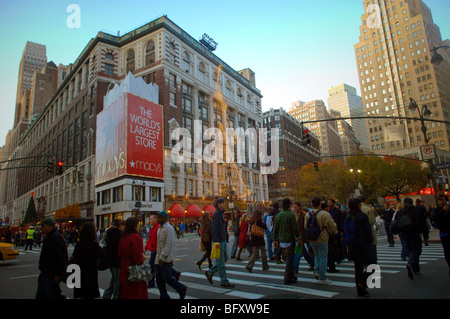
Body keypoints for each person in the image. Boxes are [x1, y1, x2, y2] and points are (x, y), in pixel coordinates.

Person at [304, 197, 338, 285]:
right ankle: (322, 277)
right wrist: (334, 232)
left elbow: (305, 226)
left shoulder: (308, 214)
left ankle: (316, 270)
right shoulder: (324, 214)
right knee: (323, 256)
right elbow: (332, 226)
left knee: (317, 255)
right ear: (320, 204)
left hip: (312, 238)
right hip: (322, 237)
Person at [155, 211, 187, 299]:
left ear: (165, 218)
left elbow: (169, 244)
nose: (158, 219)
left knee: (166, 277)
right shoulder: (160, 228)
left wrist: (162, 256)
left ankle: (181, 288)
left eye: (159, 217)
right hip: (158, 257)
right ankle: (164, 296)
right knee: (159, 279)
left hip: (166, 258)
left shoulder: (169, 229)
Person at [345, 198, 373, 297]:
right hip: (363, 244)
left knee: (358, 268)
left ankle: (360, 290)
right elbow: (368, 232)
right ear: (358, 205)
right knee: (372, 265)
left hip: (353, 245)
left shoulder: (348, 215)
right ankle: (363, 283)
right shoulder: (362, 216)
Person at [70, 222, 105, 299]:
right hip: (90, 273)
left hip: (78, 273)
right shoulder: (93, 244)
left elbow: (74, 259)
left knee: (80, 294)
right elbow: (103, 254)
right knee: (90, 294)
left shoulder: (79, 244)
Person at [205, 198, 235, 288]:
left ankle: (210, 272)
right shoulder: (216, 214)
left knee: (225, 258)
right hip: (219, 241)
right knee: (221, 261)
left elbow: (223, 228)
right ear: (219, 204)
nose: (225, 204)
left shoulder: (221, 213)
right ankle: (224, 281)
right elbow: (214, 229)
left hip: (222, 239)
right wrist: (216, 241)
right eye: (223, 203)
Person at [35, 217, 68, 299]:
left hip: (51, 274)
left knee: (53, 296)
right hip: (45, 273)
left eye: (43, 226)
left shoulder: (55, 238)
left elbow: (61, 257)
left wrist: (58, 274)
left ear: (49, 226)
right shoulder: (50, 236)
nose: (41, 228)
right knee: (41, 295)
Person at [118, 217, 148, 299]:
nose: (139, 226)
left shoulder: (123, 237)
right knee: (136, 293)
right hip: (134, 269)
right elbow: (137, 256)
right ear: (134, 226)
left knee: (125, 292)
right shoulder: (136, 237)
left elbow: (120, 254)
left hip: (124, 267)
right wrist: (142, 258)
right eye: (138, 225)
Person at [392, 197, 422, 279]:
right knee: (416, 250)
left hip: (404, 234)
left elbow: (396, 222)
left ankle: (415, 269)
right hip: (415, 233)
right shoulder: (415, 211)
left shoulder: (401, 212)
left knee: (410, 249)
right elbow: (420, 223)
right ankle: (412, 264)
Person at [273, 198, 300, 285]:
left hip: (281, 240)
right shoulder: (291, 215)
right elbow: (295, 229)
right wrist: (299, 237)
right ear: (289, 205)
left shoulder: (278, 216)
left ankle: (291, 275)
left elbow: (275, 229)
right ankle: (287, 277)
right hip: (289, 240)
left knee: (288, 259)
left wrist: (275, 239)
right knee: (290, 260)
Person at [102, 219, 125, 299]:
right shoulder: (119, 234)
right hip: (117, 260)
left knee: (114, 278)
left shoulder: (110, 233)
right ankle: (115, 296)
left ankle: (107, 295)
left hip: (110, 260)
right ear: (121, 226)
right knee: (117, 280)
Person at [293, 201, 314, 273]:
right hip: (297, 236)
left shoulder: (304, 215)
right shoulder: (294, 215)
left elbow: (305, 226)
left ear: (299, 206)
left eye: (295, 206)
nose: (294, 208)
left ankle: (295, 268)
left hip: (302, 236)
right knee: (304, 252)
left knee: (298, 253)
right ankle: (312, 263)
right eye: (294, 207)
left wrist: (302, 236)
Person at [432, 195, 450, 277]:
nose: (441, 202)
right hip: (444, 233)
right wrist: (443, 211)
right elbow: (434, 218)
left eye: (442, 200)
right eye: (439, 200)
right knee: (447, 253)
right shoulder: (438, 210)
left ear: (446, 201)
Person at [327, 199, 345, 273]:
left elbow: (340, 221)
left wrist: (341, 231)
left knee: (336, 247)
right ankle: (331, 264)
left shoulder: (337, 211)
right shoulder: (326, 212)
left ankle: (337, 260)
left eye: (330, 202)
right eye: (328, 202)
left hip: (336, 231)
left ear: (333, 203)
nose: (328, 203)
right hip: (329, 232)